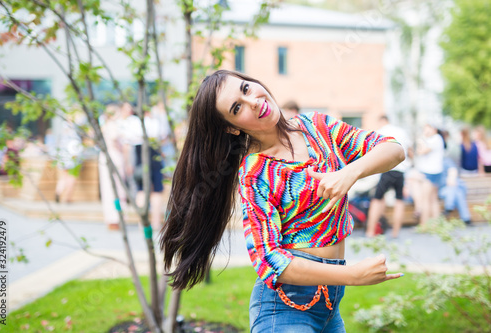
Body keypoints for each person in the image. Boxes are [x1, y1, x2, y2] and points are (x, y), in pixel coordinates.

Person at [160, 70, 405, 332]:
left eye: (245, 88)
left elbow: (394, 149)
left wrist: (348, 173)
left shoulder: (317, 126)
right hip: (285, 311)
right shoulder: (255, 173)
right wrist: (352, 276)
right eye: (237, 107)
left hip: (329, 308)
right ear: (231, 127)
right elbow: (269, 261)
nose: (253, 101)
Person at [366, 116, 412, 238]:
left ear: (381, 121)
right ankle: (395, 233)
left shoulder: (381, 131)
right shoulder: (401, 131)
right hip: (401, 170)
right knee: (399, 200)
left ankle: (370, 231)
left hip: (388, 170)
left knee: (377, 199)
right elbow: (410, 151)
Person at [98, 104, 127, 230]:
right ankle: (116, 217)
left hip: (105, 158)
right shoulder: (113, 126)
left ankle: (112, 218)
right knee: (117, 189)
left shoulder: (103, 127)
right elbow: (116, 142)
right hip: (114, 158)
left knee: (108, 189)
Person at [415, 123, 445, 226]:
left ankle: (424, 225)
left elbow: (422, 151)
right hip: (435, 172)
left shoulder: (436, 139)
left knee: (426, 200)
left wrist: (420, 140)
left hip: (429, 172)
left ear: (434, 129)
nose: (425, 131)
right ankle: (435, 225)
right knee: (433, 199)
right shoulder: (437, 139)